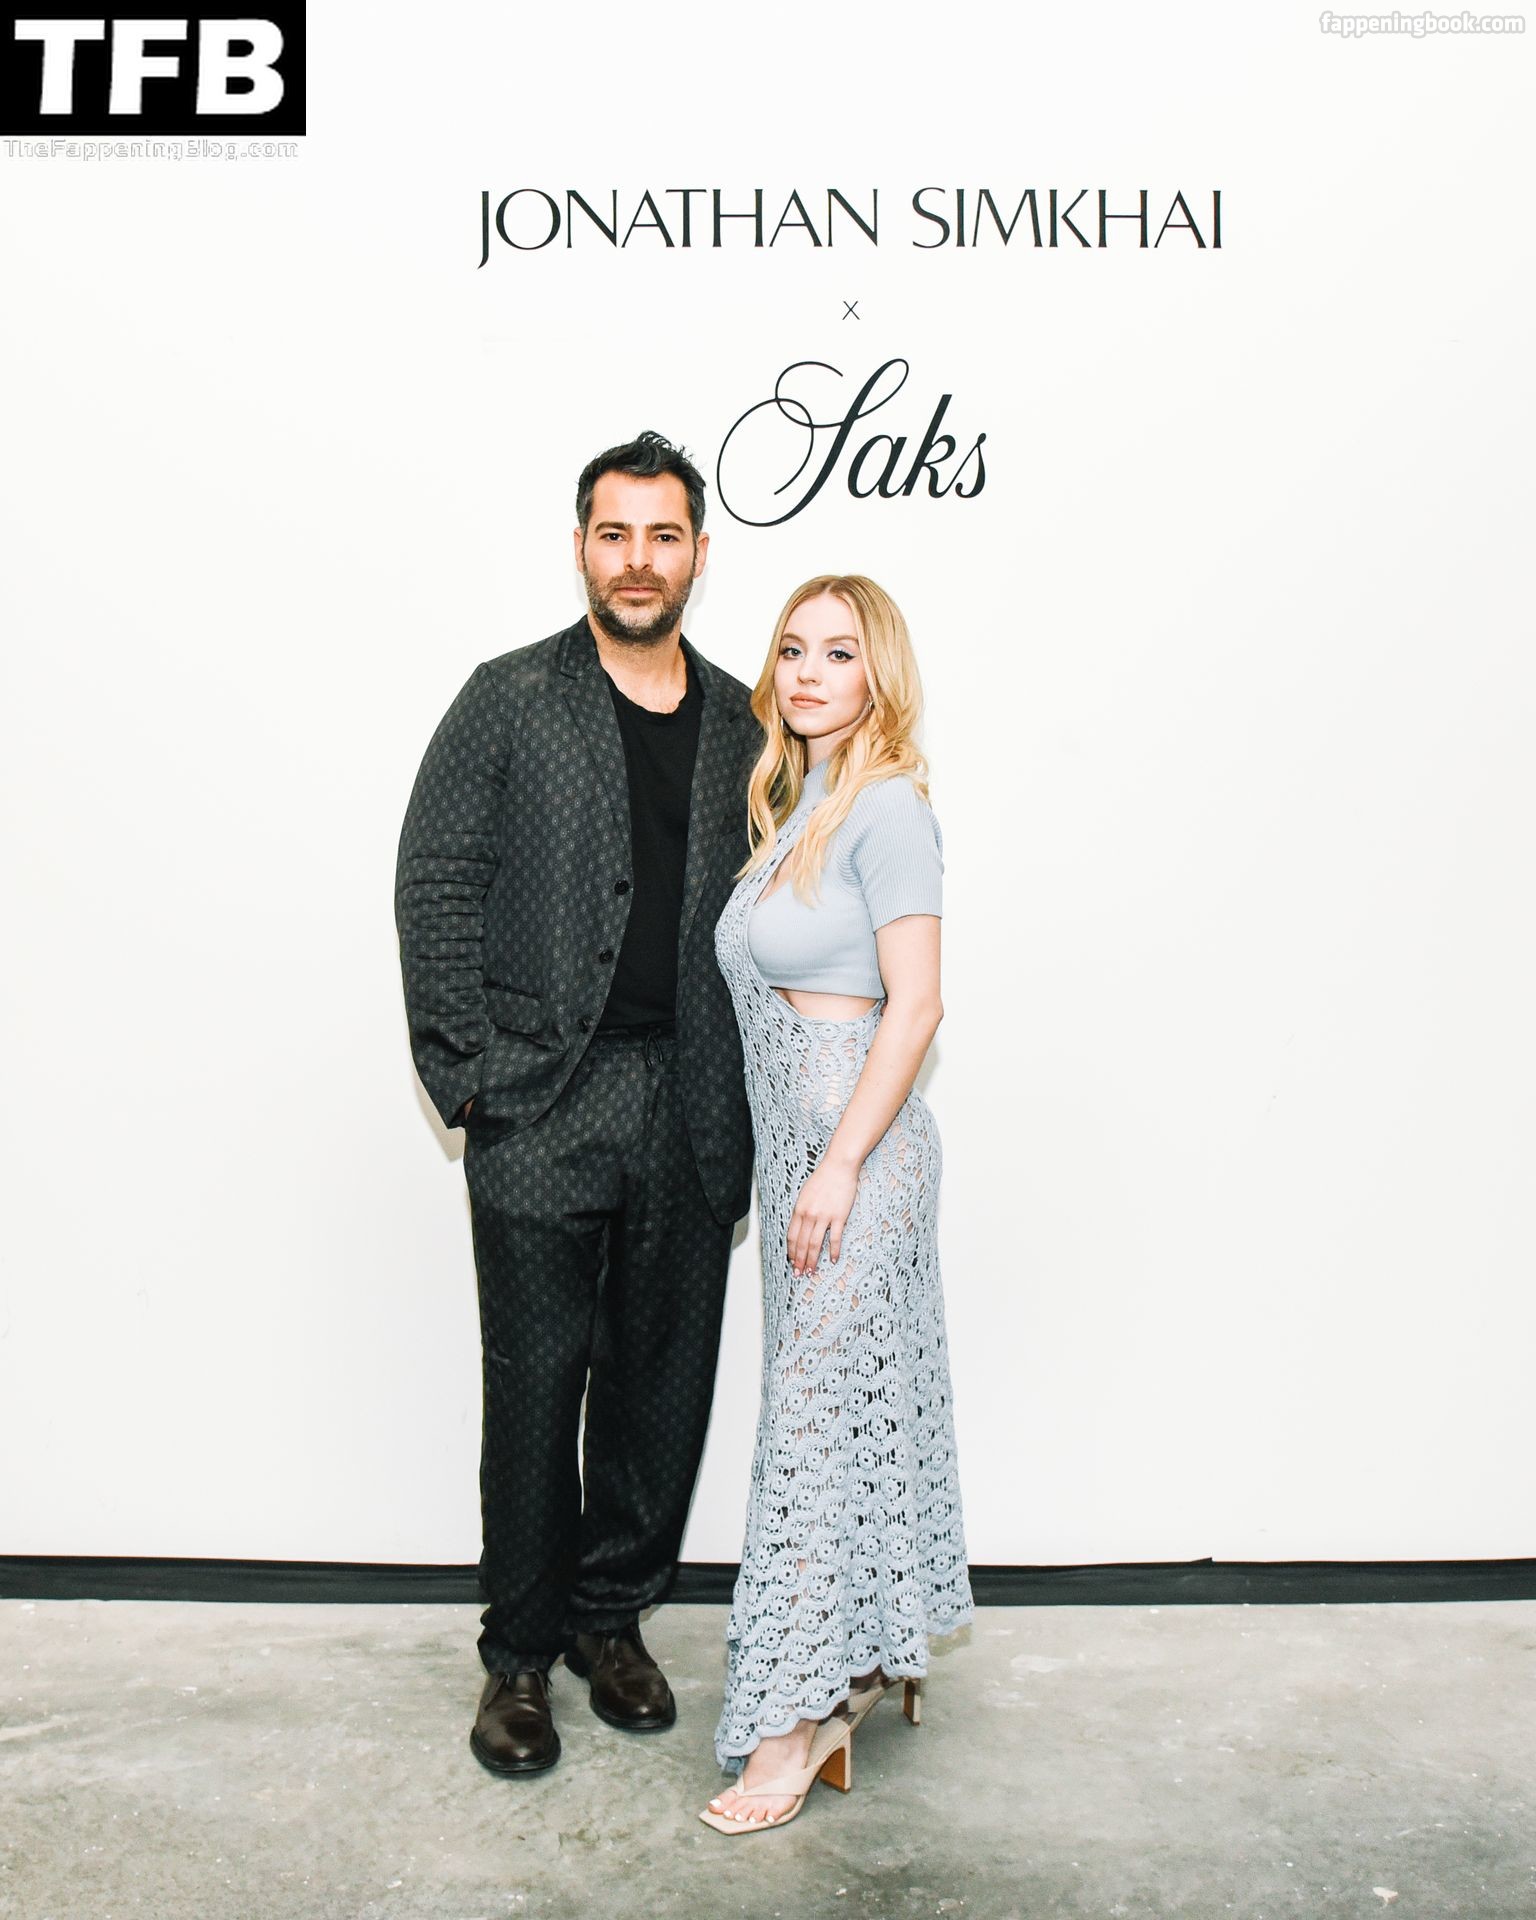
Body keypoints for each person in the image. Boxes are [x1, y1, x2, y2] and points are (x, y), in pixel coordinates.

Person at [395, 432, 758, 1776]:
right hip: (542, 1102)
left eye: (663, 537)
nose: (638, 561)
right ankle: (519, 1657)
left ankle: (613, 1622)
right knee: (537, 1384)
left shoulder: (747, 725)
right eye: (616, 534)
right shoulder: (507, 700)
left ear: (698, 556)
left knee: (662, 1382)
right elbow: (437, 878)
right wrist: (470, 1076)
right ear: (581, 548)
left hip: (693, 1101)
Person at [701, 574, 974, 1833]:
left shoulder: (889, 807)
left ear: (879, 675)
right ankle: (860, 1662)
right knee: (834, 1419)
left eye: (839, 653)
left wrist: (843, 1163)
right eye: (793, 650)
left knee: (813, 1436)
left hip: (857, 1162)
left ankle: (793, 1722)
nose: (809, 673)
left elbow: (917, 1006)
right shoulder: (799, 803)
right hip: (799, 1161)